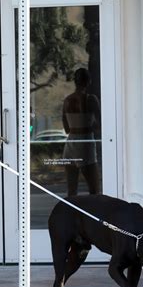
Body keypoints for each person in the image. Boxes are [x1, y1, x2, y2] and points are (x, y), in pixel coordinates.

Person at [62, 67, 101, 196]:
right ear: (89, 81)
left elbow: (67, 129)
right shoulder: (91, 99)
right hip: (85, 142)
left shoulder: (67, 100)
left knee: (72, 190)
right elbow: (101, 125)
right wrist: (91, 124)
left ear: (75, 82)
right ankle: (93, 215)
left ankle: (71, 215)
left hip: (71, 143)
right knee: (94, 189)